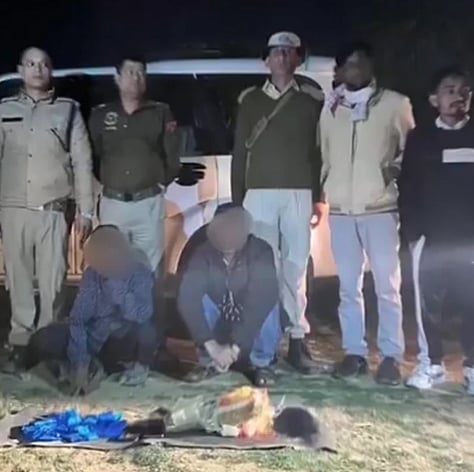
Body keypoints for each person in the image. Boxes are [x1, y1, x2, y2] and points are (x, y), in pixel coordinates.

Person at [0, 47, 94, 373]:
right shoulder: (3, 109)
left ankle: (49, 342)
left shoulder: (68, 110)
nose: (37, 69)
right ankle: (20, 341)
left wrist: (86, 210)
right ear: (21, 70)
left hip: (53, 209)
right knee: (17, 279)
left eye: (44, 64)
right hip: (13, 208)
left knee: (53, 282)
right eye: (31, 64)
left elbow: (82, 161)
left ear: (51, 70)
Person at [320, 42, 414, 385]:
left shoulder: (395, 104)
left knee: (388, 286)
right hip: (342, 210)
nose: (355, 69)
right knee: (349, 287)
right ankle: (354, 352)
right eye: (349, 64)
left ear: (371, 67)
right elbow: (325, 153)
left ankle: (391, 356)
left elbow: (410, 149)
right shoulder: (331, 107)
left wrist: (390, 174)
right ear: (340, 70)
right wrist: (327, 186)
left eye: (361, 63)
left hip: (380, 208)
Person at [231, 32, 324, 374]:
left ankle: (298, 339)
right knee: (261, 269)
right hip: (259, 194)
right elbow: (240, 153)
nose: (283, 58)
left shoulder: (311, 100)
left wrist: (319, 197)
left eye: (289, 52)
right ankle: (262, 343)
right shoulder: (250, 100)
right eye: (276, 52)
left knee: (296, 267)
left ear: (298, 59)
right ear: (266, 60)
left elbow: (318, 153)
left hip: (299, 192)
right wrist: (237, 201)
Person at [399, 66, 474, 395]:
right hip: (430, 238)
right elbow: (407, 186)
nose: (458, 96)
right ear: (434, 99)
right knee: (427, 307)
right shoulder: (420, 139)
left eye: (464, 91)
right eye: (450, 90)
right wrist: (413, 232)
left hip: (472, 239)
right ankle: (432, 364)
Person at [29, 225, 157, 394]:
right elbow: (79, 320)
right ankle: (86, 366)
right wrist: (80, 363)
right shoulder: (91, 275)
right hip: (94, 337)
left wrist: (119, 290)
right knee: (44, 339)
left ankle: (133, 368)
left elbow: (141, 315)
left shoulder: (139, 273)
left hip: (123, 339)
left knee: (148, 331)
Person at [88, 54, 180, 275]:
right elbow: (93, 154)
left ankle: (147, 300)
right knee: (111, 268)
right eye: (130, 72)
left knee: (150, 269)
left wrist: (162, 183)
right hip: (113, 204)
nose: (136, 78)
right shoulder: (101, 115)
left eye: (140, 73)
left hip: (148, 204)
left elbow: (172, 154)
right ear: (117, 78)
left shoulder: (160, 112)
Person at [177, 203, 282, 387]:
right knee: (199, 299)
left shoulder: (260, 251)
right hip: (221, 322)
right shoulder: (202, 253)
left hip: (247, 323)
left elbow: (260, 302)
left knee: (268, 302)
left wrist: (234, 348)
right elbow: (187, 298)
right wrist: (212, 347)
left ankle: (262, 363)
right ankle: (208, 361)